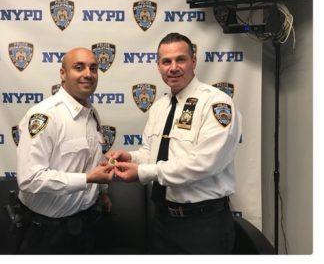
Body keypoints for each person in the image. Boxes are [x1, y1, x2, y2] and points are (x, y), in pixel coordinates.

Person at [107, 32, 242, 254]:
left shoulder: (216, 103)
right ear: (158, 66)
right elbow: (151, 154)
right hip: (162, 220)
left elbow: (205, 163)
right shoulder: (160, 107)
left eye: (180, 59)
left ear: (193, 61)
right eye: (166, 61)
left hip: (204, 224)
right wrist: (131, 157)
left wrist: (142, 172)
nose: (173, 68)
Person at [16, 47, 114, 254]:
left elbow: (88, 159)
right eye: (79, 67)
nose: (88, 74)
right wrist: (87, 179)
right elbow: (29, 179)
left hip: (86, 224)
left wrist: (102, 192)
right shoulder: (45, 115)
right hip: (47, 233)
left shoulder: (91, 113)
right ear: (63, 74)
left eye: (93, 68)